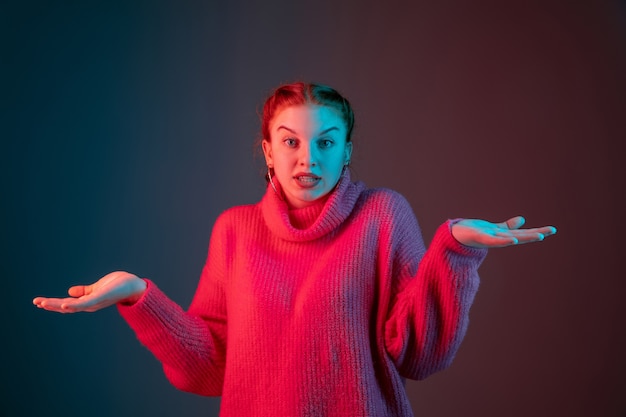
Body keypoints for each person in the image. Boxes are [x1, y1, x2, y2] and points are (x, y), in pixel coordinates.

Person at [33, 82, 556, 416]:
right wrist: (138, 295)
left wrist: (454, 251)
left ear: (347, 149)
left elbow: (418, 354)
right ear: (267, 150)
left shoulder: (382, 215)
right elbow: (211, 365)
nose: (308, 158)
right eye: (291, 141)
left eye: (326, 142)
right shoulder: (234, 230)